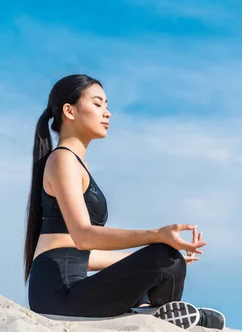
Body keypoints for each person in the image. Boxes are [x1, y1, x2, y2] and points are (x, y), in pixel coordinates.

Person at [23, 74, 226, 330]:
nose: (107, 113)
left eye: (107, 105)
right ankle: (154, 312)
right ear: (69, 111)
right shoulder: (62, 160)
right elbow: (84, 237)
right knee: (164, 256)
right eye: (97, 104)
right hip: (58, 297)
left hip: (71, 289)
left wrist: (140, 263)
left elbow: (82, 254)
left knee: (168, 260)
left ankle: (152, 311)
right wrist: (158, 236)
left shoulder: (74, 164)